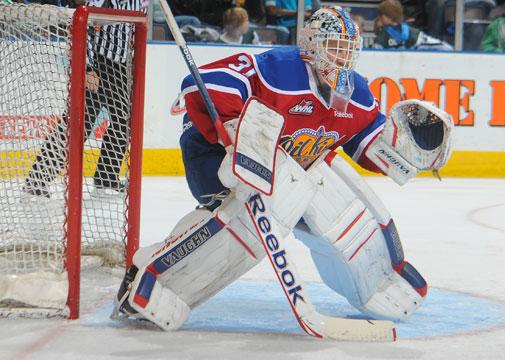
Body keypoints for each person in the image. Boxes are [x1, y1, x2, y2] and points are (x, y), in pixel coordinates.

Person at [112, 7, 453, 331]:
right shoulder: (279, 69)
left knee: (327, 197)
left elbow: (370, 144)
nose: (342, 58)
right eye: (334, 47)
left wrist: (408, 147)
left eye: (348, 50)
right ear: (311, 44)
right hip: (212, 153)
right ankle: (154, 281)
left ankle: (377, 280)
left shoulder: (356, 94)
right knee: (249, 219)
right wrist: (232, 124)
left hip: (282, 170)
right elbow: (200, 83)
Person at [23, 0, 147, 197]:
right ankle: (38, 179)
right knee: (81, 121)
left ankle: (105, 178)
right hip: (101, 63)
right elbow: (83, 22)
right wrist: (88, 67)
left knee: (121, 120)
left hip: (121, 66)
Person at [373, 0, 453, 50]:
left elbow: (374, 54)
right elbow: (446, 48)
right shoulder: (413, 33)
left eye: (380, 15)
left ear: (385, 16)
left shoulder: (383, 34)